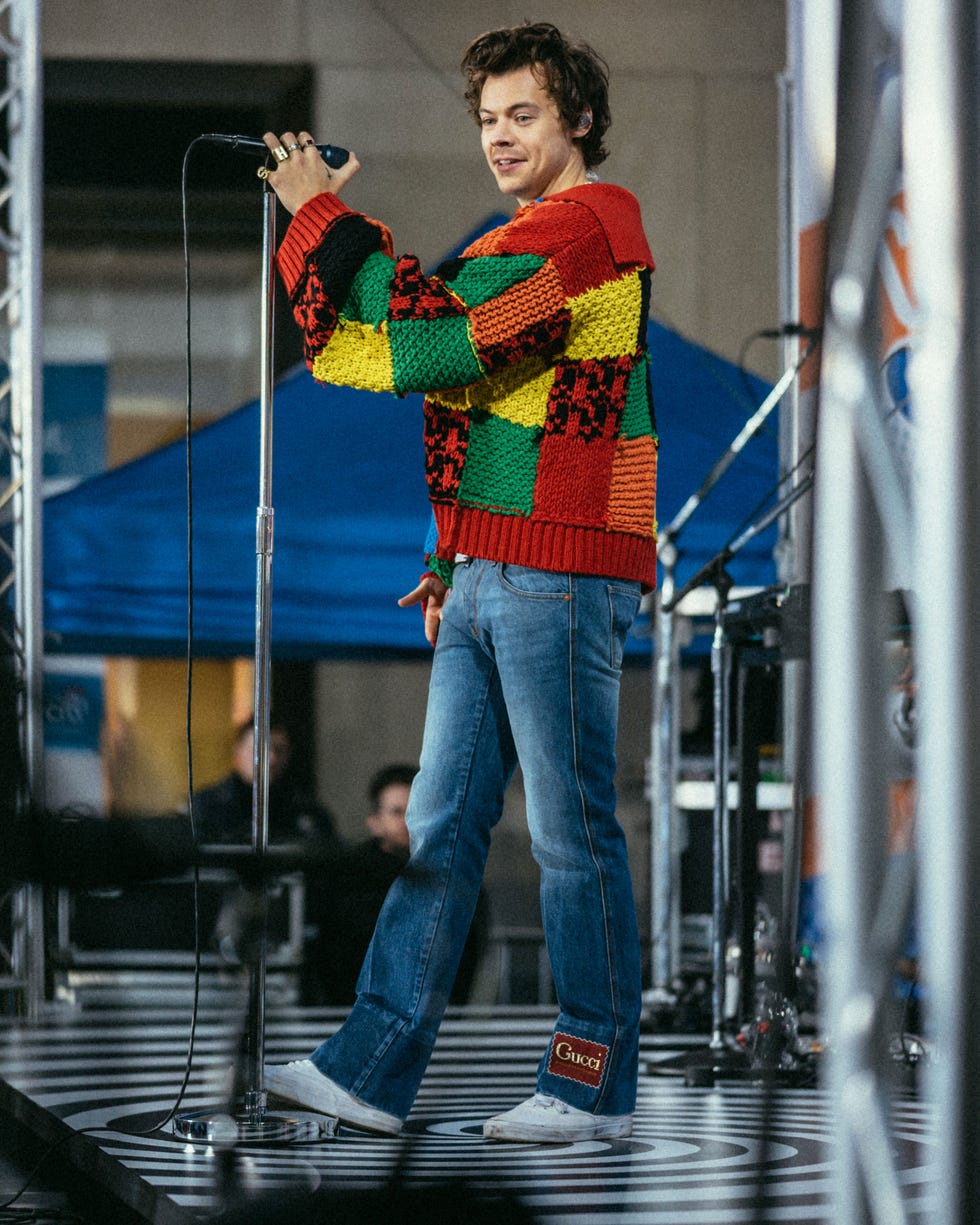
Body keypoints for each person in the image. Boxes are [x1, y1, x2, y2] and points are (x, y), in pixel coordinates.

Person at [260, 20, 657, 1143]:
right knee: (438, 822)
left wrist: (321, 217)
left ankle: (589, 1083)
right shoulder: (522, 236)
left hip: (559, 563)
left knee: (570, 833)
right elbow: (422, 357)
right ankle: (371, 1068)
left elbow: (447, 344)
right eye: (485, 119)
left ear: (577, 118)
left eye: (520, 114)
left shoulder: (592, 226)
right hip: (491, 565)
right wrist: (449, 557)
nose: (497, 136)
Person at [301, 764, 490, 1006]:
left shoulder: (453, 871)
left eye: (417, 810)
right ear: (374, 822)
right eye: (397, 812)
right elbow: (333, 952)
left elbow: (467, 950)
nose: (409, 820)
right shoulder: (347, 875)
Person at [192, 715, 337, 847]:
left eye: (279, 750)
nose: (272, 759)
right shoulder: (204, 807)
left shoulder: (306, 811)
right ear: (238, 752)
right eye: (260, 749)